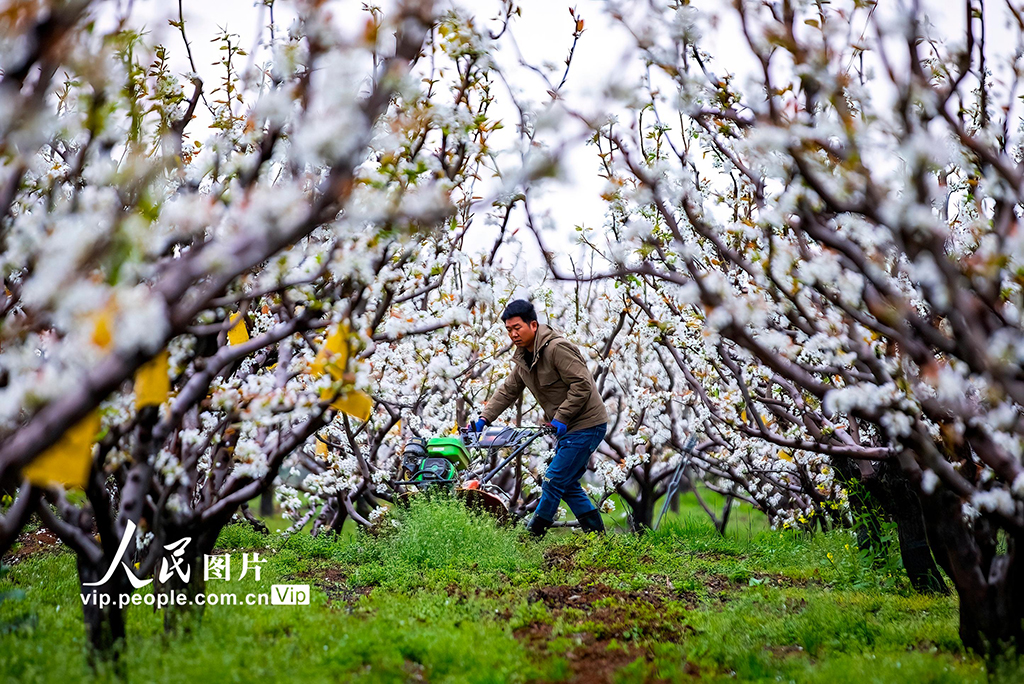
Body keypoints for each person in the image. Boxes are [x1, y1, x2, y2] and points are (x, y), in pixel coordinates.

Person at [469, 299, 609, 536]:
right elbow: (508, 390)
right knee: (567, 485)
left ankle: (531, 536)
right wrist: (484, 419)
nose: (513, 334)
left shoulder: (557, 348)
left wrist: (562, 417)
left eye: (517, 328)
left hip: (587, 424)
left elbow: (582, 385)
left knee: (553, 480)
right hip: (569, 427)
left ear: (533, 325)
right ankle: (598, 536)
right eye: (509, 330)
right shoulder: (524, 358)